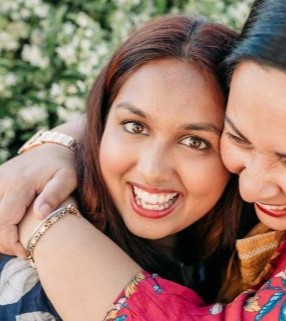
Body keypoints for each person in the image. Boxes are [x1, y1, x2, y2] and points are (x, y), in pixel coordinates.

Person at [0, 14, 262, 321]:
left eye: (194, 141)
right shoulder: (30, 282)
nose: (152, 169)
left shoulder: (241, 248)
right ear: (101, 124)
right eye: (135, 126)